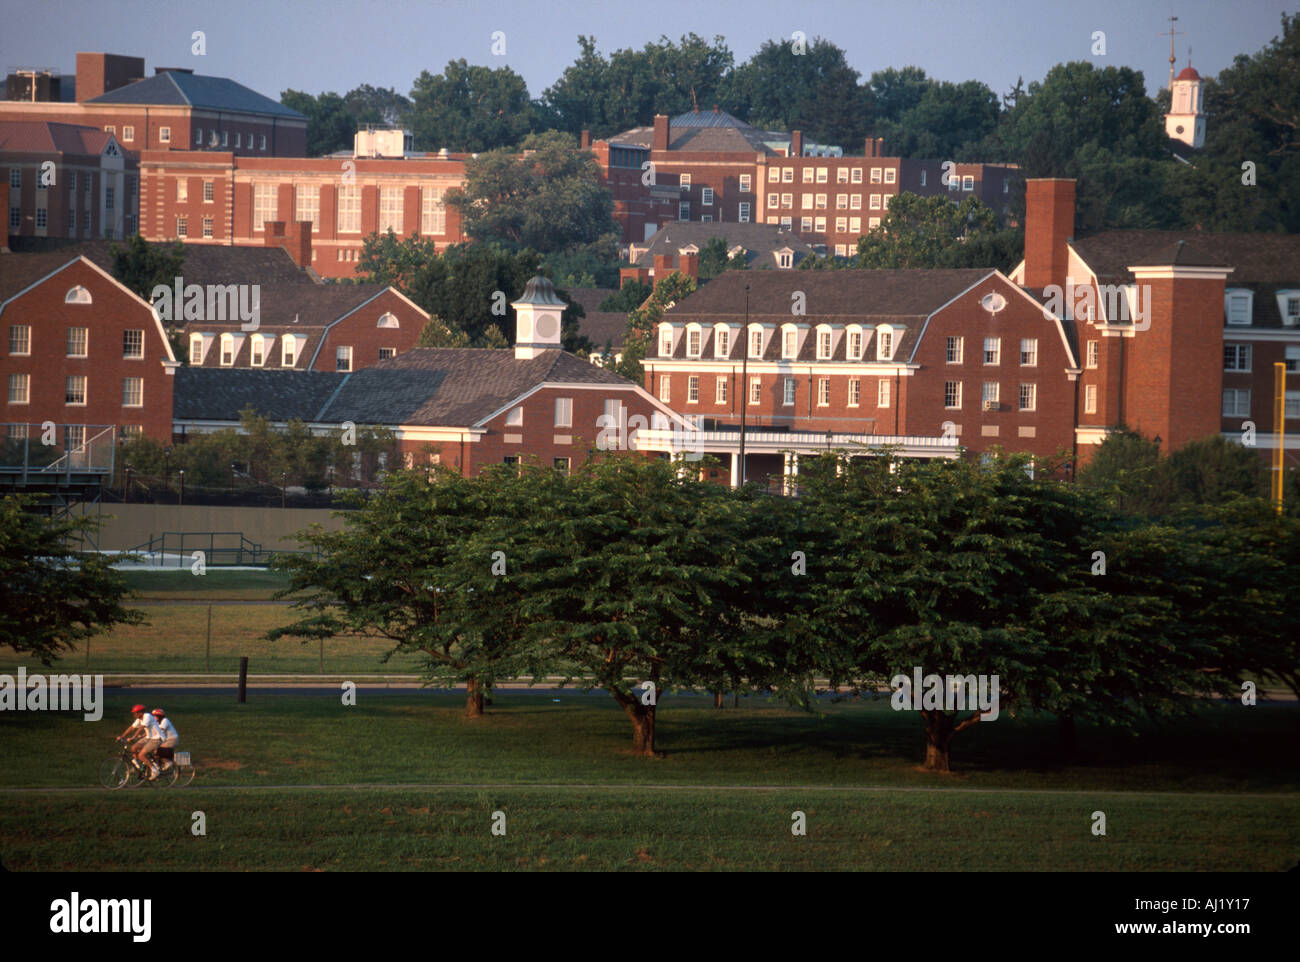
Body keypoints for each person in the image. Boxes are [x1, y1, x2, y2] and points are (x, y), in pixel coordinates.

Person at [118, 704, 163, 779]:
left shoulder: (147, 716)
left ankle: (154, 771)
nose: (134, 714)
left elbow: (141, 728)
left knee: (141, 755)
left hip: (157, 738)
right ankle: (137, 767)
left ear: (140, 713)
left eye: (135, 713)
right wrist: (122, 736)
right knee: (134, 748)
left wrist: (133, 737)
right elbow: (131, 728)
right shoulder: (139, 719)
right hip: (149, 738)